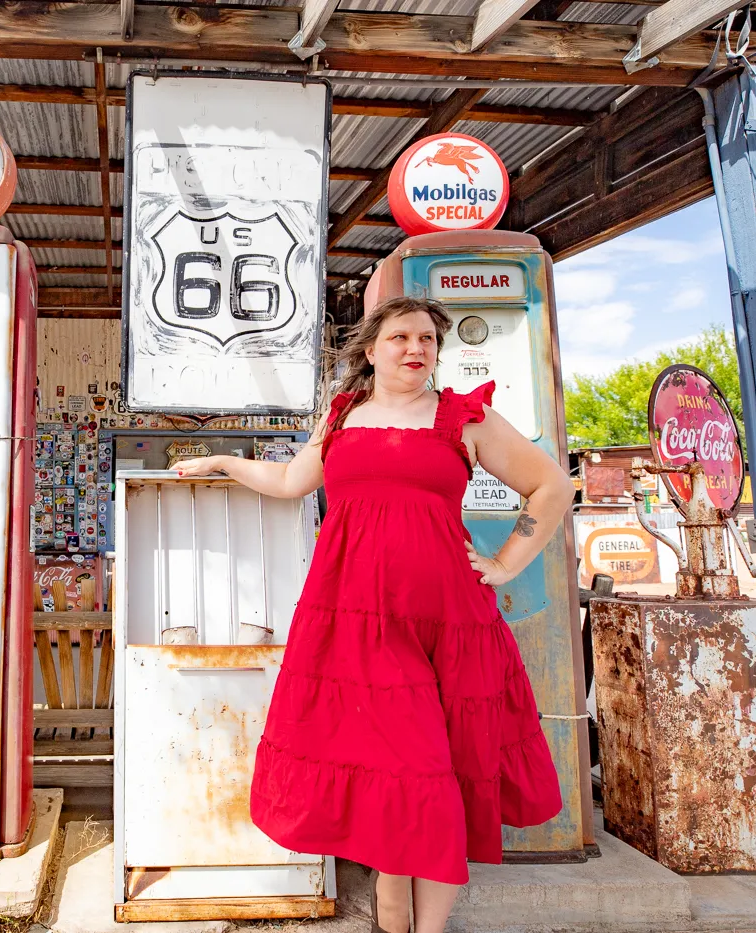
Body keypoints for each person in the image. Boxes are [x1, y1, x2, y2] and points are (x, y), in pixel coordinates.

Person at [173, 295, 573, 933]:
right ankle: (392, 918)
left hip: (448, 623)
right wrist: (222, 461)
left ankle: (426, 928)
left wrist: (506, 563)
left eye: (427, 340)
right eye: (400, 338)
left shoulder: (464, 419)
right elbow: (290, 482)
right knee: (402, 769)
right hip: (354, 621)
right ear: (369, 348)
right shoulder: (341, 414)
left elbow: (553, 485)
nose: (416, 350)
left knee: (443, 775)